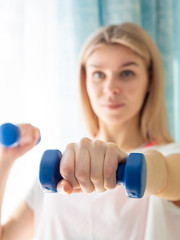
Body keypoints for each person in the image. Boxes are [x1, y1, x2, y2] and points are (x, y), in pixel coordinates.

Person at [0, 22, 180, 240]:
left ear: (149, 80)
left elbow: (164, 173)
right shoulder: (63, 167)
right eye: (98, 74)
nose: (110, 88)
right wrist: (4, 159)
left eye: (126, 73)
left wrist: (136, 165)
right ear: (84, 80)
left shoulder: (171, 156)